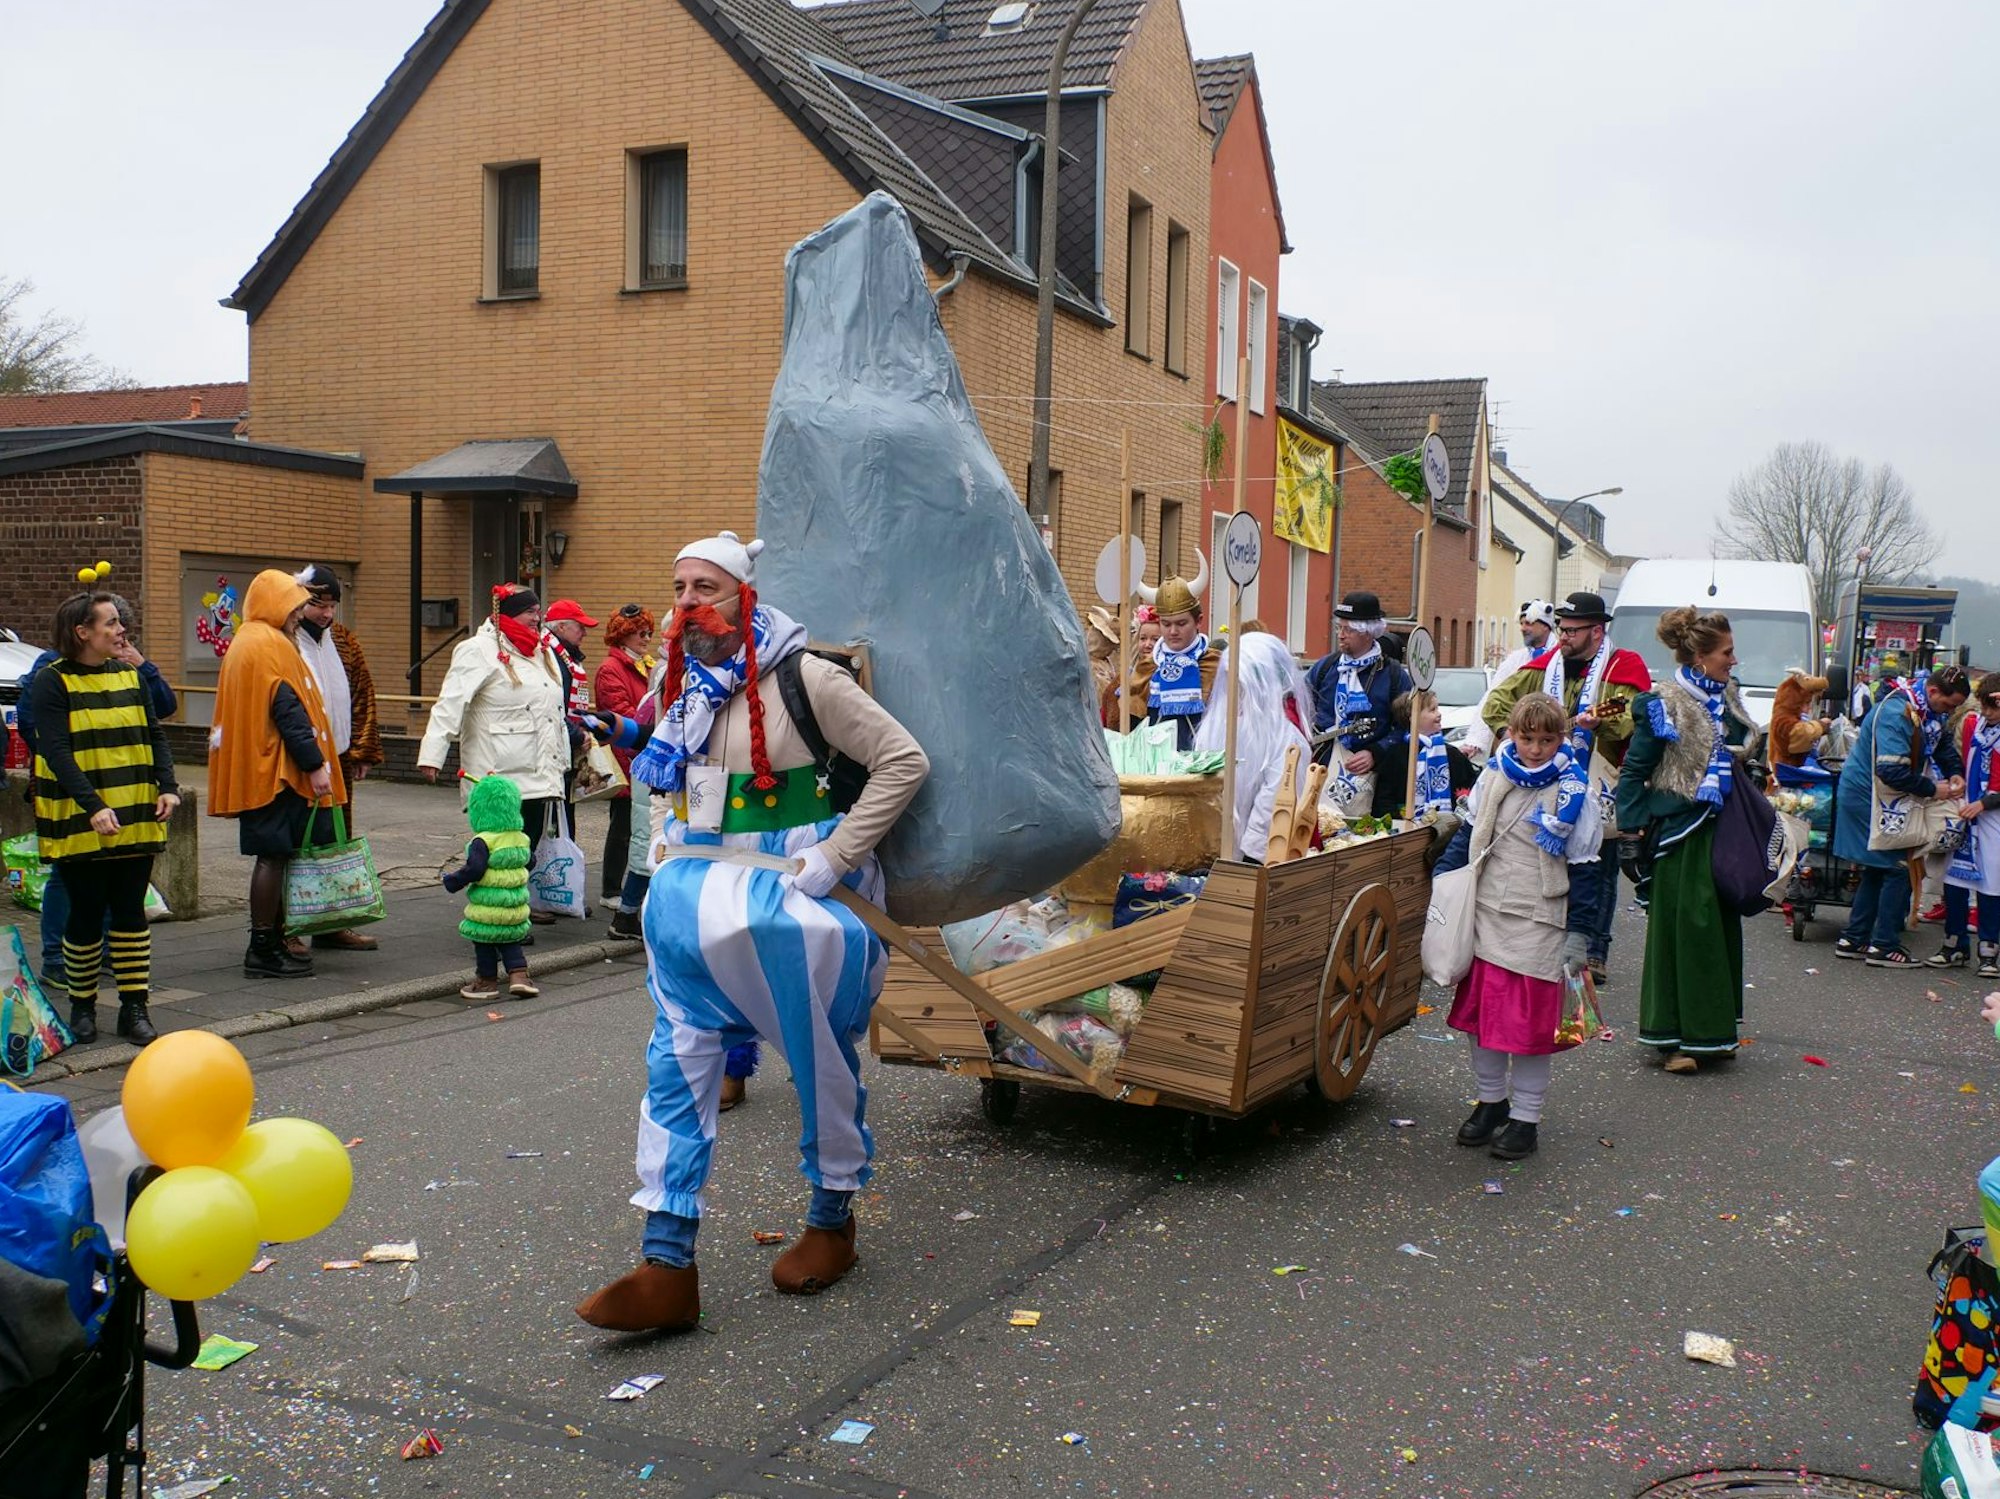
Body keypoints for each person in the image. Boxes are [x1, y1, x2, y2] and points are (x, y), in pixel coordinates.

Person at [575, 530, 928, 1335]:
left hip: (791, 905)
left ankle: (832, 1218)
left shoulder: (807, 676)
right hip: (694, 901)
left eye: (707, 586)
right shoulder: (687, 683)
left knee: (820, 1065)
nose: (689, 602)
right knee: (675, 1064)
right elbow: (673, 769)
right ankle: (667, 1261)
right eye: (680, 586)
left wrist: (836, 854)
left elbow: (903, 761)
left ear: (746, 595)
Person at [1432, 692, 1602, 1158]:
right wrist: (1441, 883)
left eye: (1547, 740)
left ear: (1561, 739)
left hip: (1541, 922)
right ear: (1511, 735)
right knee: (1481, 1022)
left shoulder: (1575, 793)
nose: (1536, 749)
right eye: (1527, 738)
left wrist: (1582, 934)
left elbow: (1588, 870)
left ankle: (1526, 1118)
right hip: (1486, 913)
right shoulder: (1493, 777)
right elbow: (1468, 836)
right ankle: (1491, 1103)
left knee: (1528, 1031)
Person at [29, 592, 179, 1044]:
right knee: (86, 913)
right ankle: (82, 1007)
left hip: (133, 804)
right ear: (83, 632)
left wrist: (168, 786)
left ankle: (134, 1008)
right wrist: (93, 806)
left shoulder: (130, 675)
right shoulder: (51, 682)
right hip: (80, 812)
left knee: (131, 912)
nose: (121, 631)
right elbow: (55, 750)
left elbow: (154, 733)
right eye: (111, 624)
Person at [1481, 591, 1651, 988]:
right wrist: (1527, 733)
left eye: (1573, 631)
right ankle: (1550, 934)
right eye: (1561, 629)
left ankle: (1596, 948)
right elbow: (1494, 705)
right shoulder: (1544, 667)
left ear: (1597, 630)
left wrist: (1600, 725)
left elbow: (1628, 721)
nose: (1563, 638)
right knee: (1543, 853)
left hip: (1598, 776)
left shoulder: (1623, 667)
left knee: (1598, 862)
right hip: (1542, 776)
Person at [1616, 608, 1752, 1070]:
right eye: (1726, 652)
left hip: (1720, 828)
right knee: (1684, 932)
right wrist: (1629, 834)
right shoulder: (1663, 702)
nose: (1734, 660)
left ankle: (1713, 1032)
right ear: (1699, 657)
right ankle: (1674, 1039)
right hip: (1678, 833)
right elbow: (1635, 770)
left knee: (1716, 929)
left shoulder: (1726, 699)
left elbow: (1740, 752)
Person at [208, 570, 346, 979]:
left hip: (258, 767)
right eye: (293, 604)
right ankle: (264, 947)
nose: (299, 612)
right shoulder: (271, 646)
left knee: (275, 857)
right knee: (274, 857)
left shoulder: (246, 641)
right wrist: (314, 765)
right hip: (276, 773)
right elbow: (289, 710)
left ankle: (271, 941)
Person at [418, 584, 572, 877]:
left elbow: (553, 712)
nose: (537, 618)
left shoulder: (542, 651)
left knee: (524, 852)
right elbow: (450, 704)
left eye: (539, 611)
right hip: (498, 775)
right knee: (498, 853)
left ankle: (517, 908)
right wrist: (432, 754)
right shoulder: (477, 651)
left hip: (540, 773)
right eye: (530, 611)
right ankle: (491, 916)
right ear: (509, 614)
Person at [1832, 666, 1968, 966]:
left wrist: (1956, 773)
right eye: (1949, 705)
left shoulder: (1925, 709)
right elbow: (1890, 771)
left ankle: (1854, 939)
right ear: (1933, 692)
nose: (1950, 711)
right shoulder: (1897, 712)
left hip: (1881, 796)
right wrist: (1935, 789)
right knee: (1899, 867)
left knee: (1878, 868)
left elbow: (1942, 743)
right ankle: (1884, 946)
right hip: (1869, 797)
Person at [293, 565, 383, 953]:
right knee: (297, 843)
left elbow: (364, 694)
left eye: (331, 606)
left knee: (336, 841)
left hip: (340, 757)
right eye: (318, 605)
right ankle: (288, 926)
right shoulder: (285, 641)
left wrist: (363, 750)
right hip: (298, 759)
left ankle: (332, 923)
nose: (326, 614)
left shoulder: (345, 641)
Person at [1193, 631, 1313, 862]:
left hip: (1254, 861)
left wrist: (1251, 858)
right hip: (1210, 851)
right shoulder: (1218, 728)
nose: (1235, 692)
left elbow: (1276, 801)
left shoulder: (1284, 739)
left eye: (1241, 683)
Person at [1305, 592, 1414, 806]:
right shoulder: (1325, 667)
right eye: (1339, 627)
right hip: (1319, 767)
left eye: (1349, 629)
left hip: (1366, 778)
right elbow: (1300, 707)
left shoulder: (1393, 675)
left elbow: (1406, 726)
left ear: (1368, 633)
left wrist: (1376, 752)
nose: (1341, 635)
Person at [439, 773, 538, 1000]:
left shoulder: (482, 840)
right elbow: (531, 861)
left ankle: (486, 982)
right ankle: (519, 977)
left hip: (488, 905)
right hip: (514, 906)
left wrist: (452, 880)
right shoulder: (520, 838)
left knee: (484, 942)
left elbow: (475, 869)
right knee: (510, 940)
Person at [1928, 672, 2000, 977]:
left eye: (1992, 707)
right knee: (1955, 880)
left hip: (1993, 816)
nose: (1986, 713)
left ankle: (1989, 949)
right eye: (1984, 706)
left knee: (1991, 883)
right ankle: (1954, 943)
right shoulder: (1973, 724)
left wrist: (1984, 803)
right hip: (1966, 811)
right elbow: (1958, 759)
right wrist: (1956, 780)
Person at [595, 604, 655, 910]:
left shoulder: (647, 664)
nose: (646, 638)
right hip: (624, 756)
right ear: (623, 636)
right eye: (639, 633)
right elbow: (620, 711)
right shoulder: (611, 669)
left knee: (637, 825)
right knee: (622, 827)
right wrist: (651, 730)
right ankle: (610, 889)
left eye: (648, 633)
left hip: (640, 755)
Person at [1135, 555, 1213, 750]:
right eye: (1166, 624)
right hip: (1155, 764)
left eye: (1181, 623)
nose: (1172, 632)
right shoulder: (1147, 665)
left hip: (1202, 763)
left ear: (1198, 621)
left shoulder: (1215, 663)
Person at [1464, 600, 1557, 762]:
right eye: (1521, 624)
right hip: (1518, 741)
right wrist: (1475, 742)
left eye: (1529, 623)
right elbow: (1492, 696)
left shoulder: (1561, 656)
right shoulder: (1515, 660)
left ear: (1545, 626)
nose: (1523, 628)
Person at [1370, 691, 1479, 818]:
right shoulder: (1396, 754)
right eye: (1432, 710)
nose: (1439, 714)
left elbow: (1468, 790)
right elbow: (1384, 798)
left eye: (1437, 709)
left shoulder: (1452, 754)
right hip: (1406, 826)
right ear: (1413, 717)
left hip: (1449, 826)